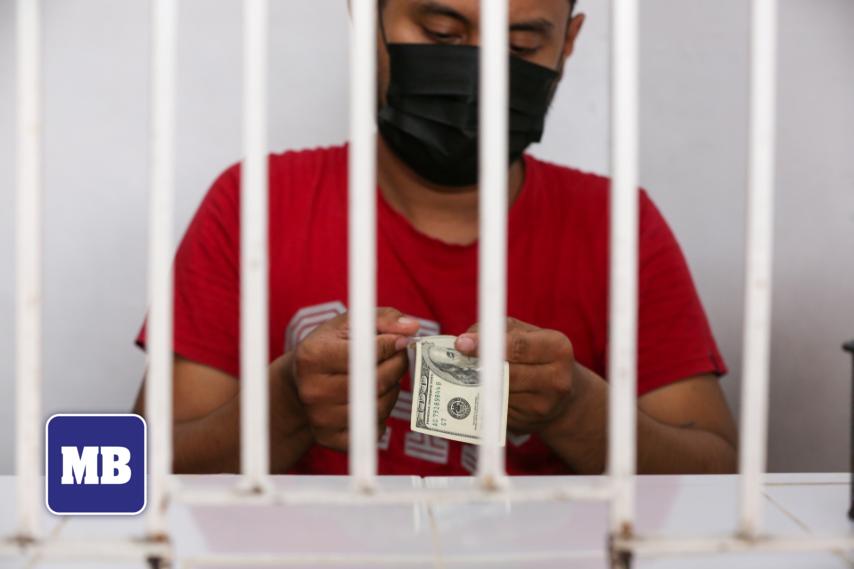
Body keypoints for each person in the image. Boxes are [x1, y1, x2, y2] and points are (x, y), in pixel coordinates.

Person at [132, 0, 738, 476]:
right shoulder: (254, 203)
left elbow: (719, 470)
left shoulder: (616, 224)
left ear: (567, 44)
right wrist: (284, 408)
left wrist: (578, 409)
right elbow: (138, 466)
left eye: (521, 44)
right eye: (443, 34)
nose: (477, 72)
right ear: (367, 15)